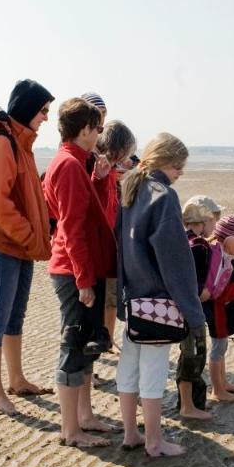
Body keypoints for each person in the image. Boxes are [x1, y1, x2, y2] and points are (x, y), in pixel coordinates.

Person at [115, 133, 206, 457]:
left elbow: (120, 248)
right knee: (153, 372)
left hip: (133, 296)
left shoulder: (130, 188)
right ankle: (154, 441)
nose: (180, 172)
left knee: (129, 368)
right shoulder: (162, 195)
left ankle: (130, 433)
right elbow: (175, 262)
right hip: (159, 299)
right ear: (167, 162)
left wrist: (122, 295)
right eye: (179, 166)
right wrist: (194, 314)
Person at [0, 79, 54, 415]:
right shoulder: (2, 143)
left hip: (22, 245)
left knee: (15, 315)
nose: (46, 118)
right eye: (43, 111)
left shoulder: (22, 143)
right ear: (27, 108)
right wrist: (27, 235)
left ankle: (17, 379)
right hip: (5, 243)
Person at [43, 98, 119, 447]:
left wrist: (101, 180)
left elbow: (92, 214)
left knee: (86, 346)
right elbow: (72, 227)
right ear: (85, 129)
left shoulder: (76, 163)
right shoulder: (69, 165)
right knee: (74, 345)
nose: (99, 135)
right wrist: (85, 281)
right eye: (97, 128)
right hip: (73, 270)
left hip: (79, 267)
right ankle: (70, 430)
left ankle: (84, 417)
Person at [95, 120, 138, 354]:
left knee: (111, 297)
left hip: (114, 245)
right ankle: (100, 342)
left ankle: (107, 339)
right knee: (92, 303)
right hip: (99, 248)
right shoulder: (96, 168)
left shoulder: (112, 170)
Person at [176, 199, 216, 420]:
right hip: (192, 308)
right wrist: (202, 290)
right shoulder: (199, 246)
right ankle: (189, 406)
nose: (215, 225)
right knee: (193, 355)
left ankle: (187, 403)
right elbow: (194, 279)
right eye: (212, 220)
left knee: (188, 354)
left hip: (183, 306)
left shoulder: (182, 240)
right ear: (202, 221)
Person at [206, 214, 234, 401]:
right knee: (217, 349)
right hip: (218, 312)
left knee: (221, 347)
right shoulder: (218, 257)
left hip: (222, 311)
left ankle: (222, 382)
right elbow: (222, 290)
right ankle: (217, 389)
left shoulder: (223, 254)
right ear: (231, 240)